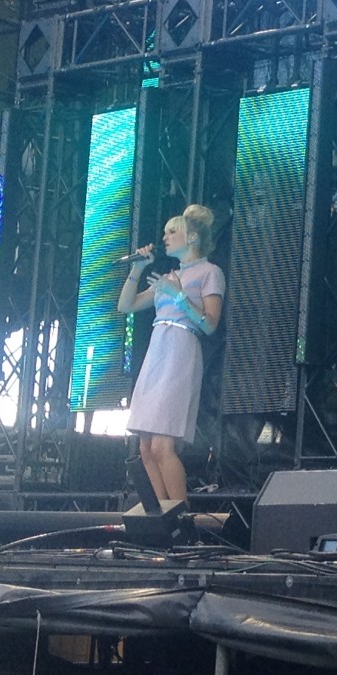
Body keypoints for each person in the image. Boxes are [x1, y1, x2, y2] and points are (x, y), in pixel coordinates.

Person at [117, 204, 224, 505]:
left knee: (164, 446)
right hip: (157, 350)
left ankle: (181, 514)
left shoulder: (210, 272)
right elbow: (125, 306)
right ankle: (162, 513)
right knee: (146, 448)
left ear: (191, 237)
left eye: (171, 231)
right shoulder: (169, 276)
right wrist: (137, 269)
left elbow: (211, 324)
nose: (165, 237)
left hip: (181, 348)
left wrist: (179, 297)